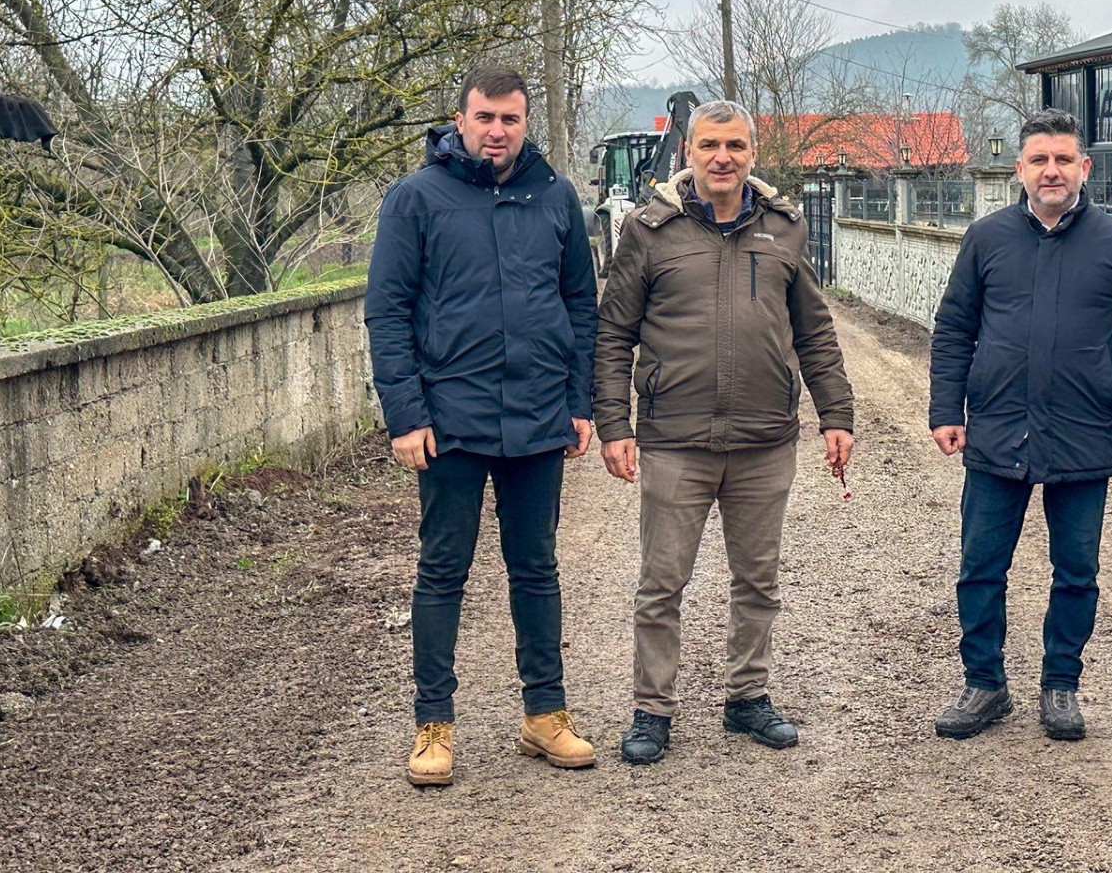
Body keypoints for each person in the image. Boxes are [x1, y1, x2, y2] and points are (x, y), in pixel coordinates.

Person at [594, 98, 855, 764]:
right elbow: (614, 334)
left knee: (758, 580)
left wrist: (836, 414)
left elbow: (815, 332)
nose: (722, 157)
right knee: (662, 583)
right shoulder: (650, 232)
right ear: (687, 151)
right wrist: (614, 425)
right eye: (710, 145)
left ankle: (748, 697)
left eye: (735, 146)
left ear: (751, 152)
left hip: (764, 440)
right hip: (674, 439)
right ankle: (652, 710)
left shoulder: (785, 229)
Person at [365, 66, 600, 785]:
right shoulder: (416, 199)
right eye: (485, 117)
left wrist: (580, 401)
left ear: (526, 123)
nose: (497, 131)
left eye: (511, 119)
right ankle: (433, 724)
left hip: (537, 418)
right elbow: (387, 312)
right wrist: (406, 414)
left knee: (536, 569)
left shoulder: (555, 196)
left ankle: (544, 716)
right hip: (450, 422)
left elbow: (581, 305)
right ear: (460, 119)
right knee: (443, 573)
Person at [927, 107, 1112, 741]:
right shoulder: (986, 238)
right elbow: (954, 329)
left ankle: (1061, 685)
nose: (1052, 170)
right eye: (1040, 159)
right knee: (980, 566)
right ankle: (984, 684)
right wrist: (946, 409)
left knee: (1077, 571)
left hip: (1085, 434)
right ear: (1020, 169)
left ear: (1084, 167)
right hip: (997, 430)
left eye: (1064, 159)